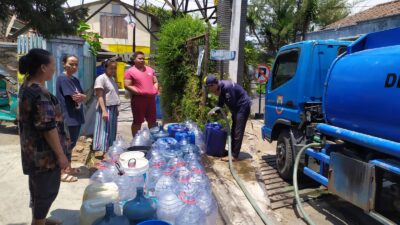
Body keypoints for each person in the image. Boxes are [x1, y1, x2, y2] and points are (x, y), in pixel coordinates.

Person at [18, 48, 70, 225]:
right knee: (46, 192)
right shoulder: (39, 93)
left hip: (32, 152)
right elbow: (48, 127)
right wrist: (61, 156)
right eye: (52, 65)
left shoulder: (27, 86)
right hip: (44, 156)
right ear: (43, 67)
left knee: (38, 189)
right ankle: (38, 222)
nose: (54, 69)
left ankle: (40, 219)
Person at [206, 75, 252, 161]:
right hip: (237, 107)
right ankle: (232, 151)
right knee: (234, 130)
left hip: (243, 106)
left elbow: (231, 103)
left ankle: (234, 155)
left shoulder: (226, 88)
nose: (210, 90)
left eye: (210, 87)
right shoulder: (221, 87)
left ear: (213, 85)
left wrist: (229, 114)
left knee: (238, 131)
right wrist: (215, 111)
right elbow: (220, 103)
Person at [56, 55, 86, 182]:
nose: (74, 67)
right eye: (71, 64)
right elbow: (75, 97)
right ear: (64, 64)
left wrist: (82, 96)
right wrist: (82, 96)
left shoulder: (74, 79)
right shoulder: (62, 79)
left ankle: (68, 167)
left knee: (72, 143)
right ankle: (62, 172)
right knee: (66, 144)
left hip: (76, 114)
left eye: (76, 64)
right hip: (68, 115)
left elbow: (83, 95)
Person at [124, 51, 158, 137]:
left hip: (151, 100)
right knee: (137, 122)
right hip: (138, 100)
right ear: (134, 60)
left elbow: (155, 82)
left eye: (143, 58)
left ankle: (153, 139)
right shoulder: (130, 71)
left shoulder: (150, 70)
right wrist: (139, 92)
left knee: (152, 121)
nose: (142, 60)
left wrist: (155, 89)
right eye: (139, 58)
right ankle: (136, 140)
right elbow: (127, 85)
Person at [93, 59, 120, 151]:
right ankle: (104, 153)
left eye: (115, 68)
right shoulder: (101, 78)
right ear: (105, 68)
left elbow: (113, 95)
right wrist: (104, 111)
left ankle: (109, 150)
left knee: (112, 131)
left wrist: (116, 109)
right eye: (111, 68)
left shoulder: (111, 79)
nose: (113, 70)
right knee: (105, 131)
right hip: (105, 108)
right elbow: (99, 96)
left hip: (113, 108)